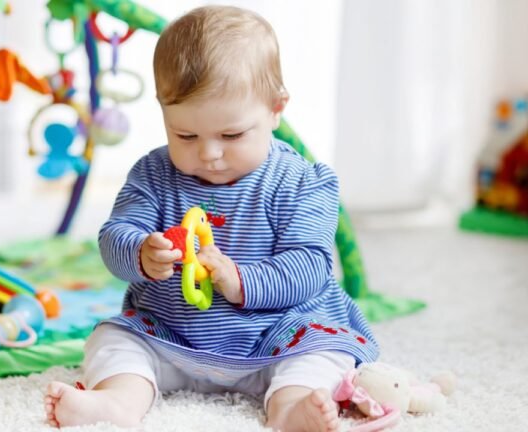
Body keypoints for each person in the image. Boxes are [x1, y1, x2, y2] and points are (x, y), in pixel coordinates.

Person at [44, 5, 378, 431]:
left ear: (276, 109)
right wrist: (141, 253)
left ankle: (291, 409)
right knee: (112, 338)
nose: (209, 153)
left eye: (232, 135)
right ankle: (118, 402)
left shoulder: (303, 182)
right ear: (164, 112)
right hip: (171, 335)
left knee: (323, 355)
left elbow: (309, 267)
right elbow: (114, 237)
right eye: (185, 135)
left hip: (279, 335)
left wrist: (239, 280)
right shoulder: (153, 174)